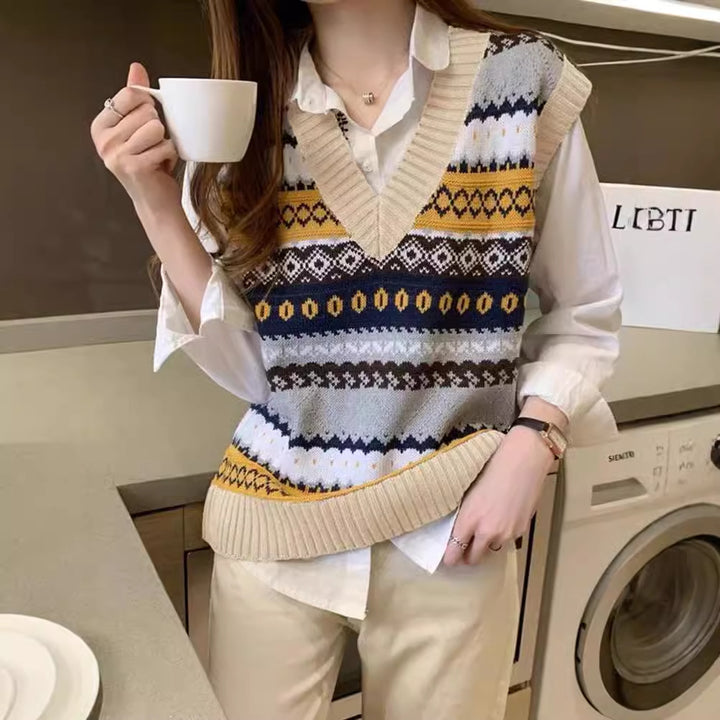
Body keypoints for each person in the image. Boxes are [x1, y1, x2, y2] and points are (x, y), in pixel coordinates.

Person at [90, 1, 622, 718]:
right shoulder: (239, 115)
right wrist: (154, 201)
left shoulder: (523, 83)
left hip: (453, 533)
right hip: (275, 533)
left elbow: (584, 312)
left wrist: (533, 443)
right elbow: (259, 376)